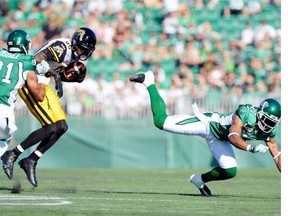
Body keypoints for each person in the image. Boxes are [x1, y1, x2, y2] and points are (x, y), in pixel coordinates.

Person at [129, 71, 281, 197]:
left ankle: (198, 180)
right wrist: (250, 148)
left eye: (272, 122)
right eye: (267, 120)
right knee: (160, 122)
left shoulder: (271, 131)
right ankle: (149, 81)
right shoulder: (247, 112)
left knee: (230, 170)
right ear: (260, 114)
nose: (269, 125)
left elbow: (277, 156)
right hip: (207, 125)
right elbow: (233, 136)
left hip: (219, 139)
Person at [1, 27, 97, 187]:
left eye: (86, 50)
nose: (82, 52)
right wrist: (56, 74)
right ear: (74, 42)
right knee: (51, 128)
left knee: (61, 127)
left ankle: (31, 160)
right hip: (32, 83)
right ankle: (13, 154)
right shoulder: (62, 48)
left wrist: (66, 76)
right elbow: (37, 59)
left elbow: (58, 71)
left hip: (43, 84)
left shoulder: (73, 55)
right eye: (81, 47)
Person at [0, 29, 45, 158]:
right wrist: (41, 75)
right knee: (4, 140)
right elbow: (39, 96)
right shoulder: (27, 62)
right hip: (3, 112)